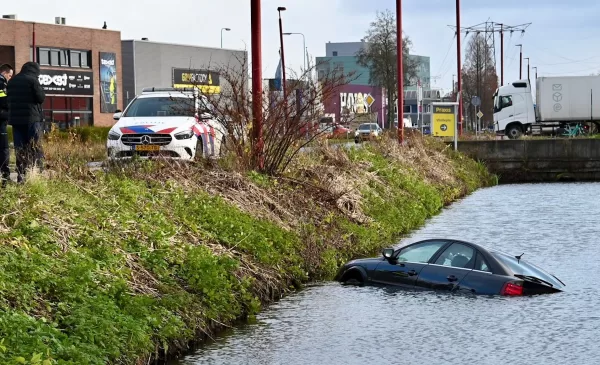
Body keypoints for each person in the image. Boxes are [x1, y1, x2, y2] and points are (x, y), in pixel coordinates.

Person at [6, 62, 45, 183]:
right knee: (34, 147)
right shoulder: (33, 80)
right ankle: (35, 174)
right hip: (32, 119)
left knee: (20, 148)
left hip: (16, 121)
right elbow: (41, 98)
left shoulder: (12, 82)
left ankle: (20, 176)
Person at [0, 64, 14, 186]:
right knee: (3, 149)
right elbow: (3, 100)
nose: (10, 78)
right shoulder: (1, 82)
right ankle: (5, 176)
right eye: (9, 75)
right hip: (0, 121)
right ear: (4, 73)